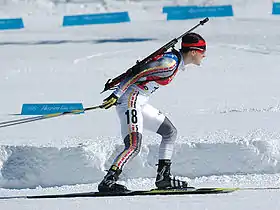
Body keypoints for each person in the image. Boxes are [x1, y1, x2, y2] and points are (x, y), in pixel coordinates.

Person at [98, 32, 206, 192]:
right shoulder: (169, 64)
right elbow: (137, 73)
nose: (204, 55)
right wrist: (116, 95)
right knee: (134, 146)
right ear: (193, 52)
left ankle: (164, 178)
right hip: (130, 101)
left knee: (170, 132)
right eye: (203, 52)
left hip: (140, 101)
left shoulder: (175, 63)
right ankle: (108, 182)